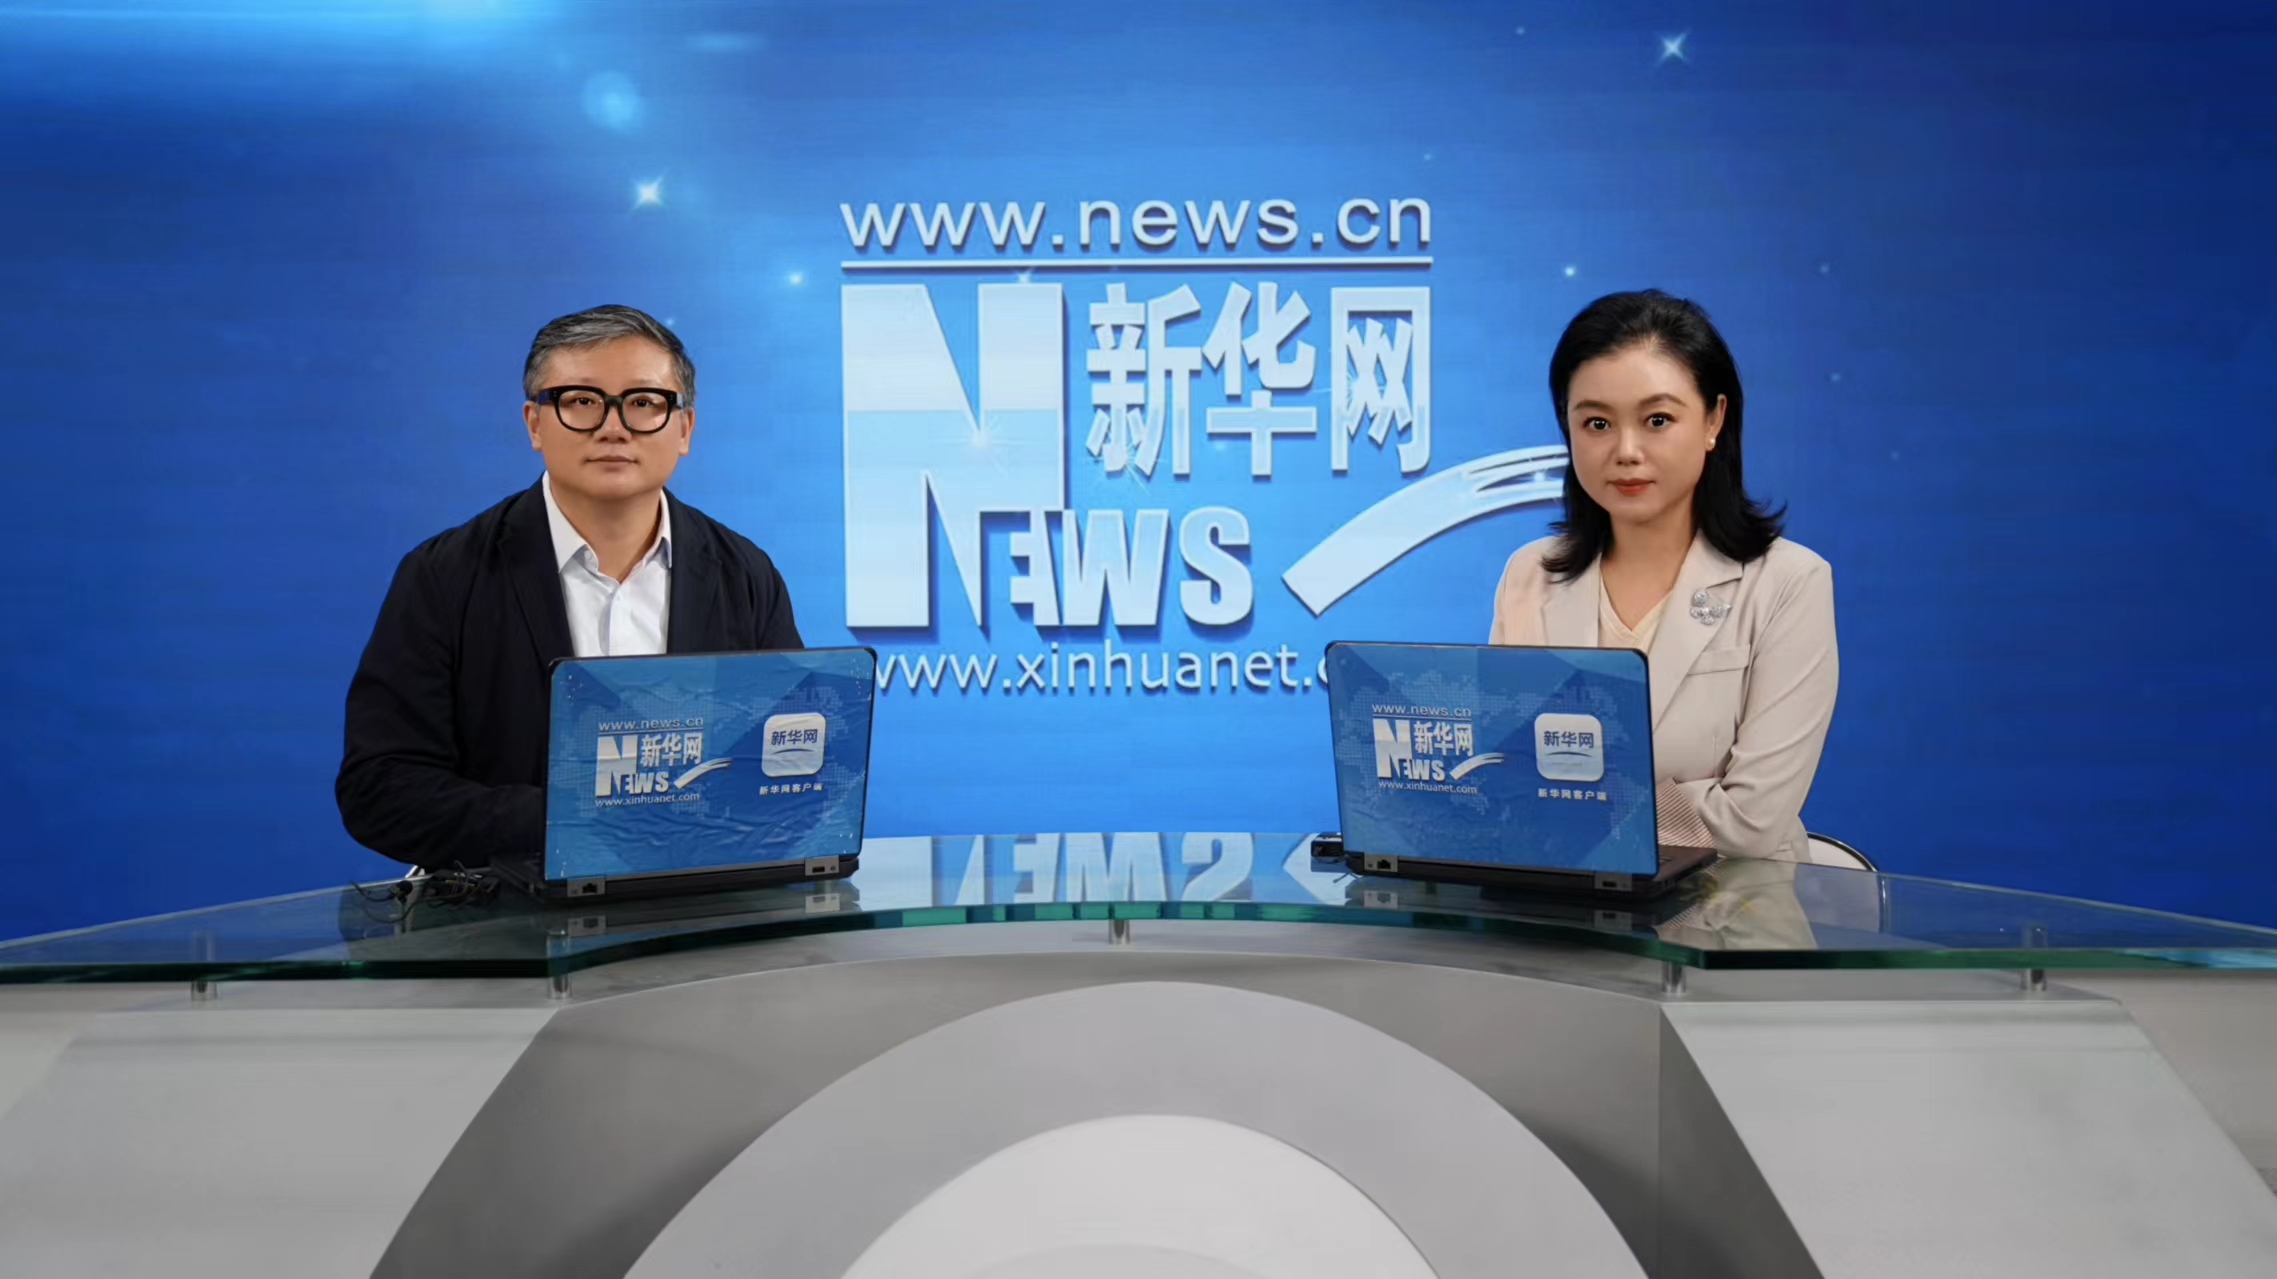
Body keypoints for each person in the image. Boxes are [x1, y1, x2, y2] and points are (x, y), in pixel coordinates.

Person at [337, 305, 802, 870]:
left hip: (704, 903)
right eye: (582, 401)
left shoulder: (744, 574)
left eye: (644, 403)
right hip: (508, 909)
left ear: (684, 429)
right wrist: (576, 821)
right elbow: (381, 787)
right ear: (535, 423)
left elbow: (790, 762)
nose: (613, 427)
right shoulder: (444, 576)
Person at [1489, 290, 1837, 859]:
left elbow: (1750, 822)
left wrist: (1572, 805)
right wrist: (1678, 800)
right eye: (1596, 423)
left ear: (1714, 420)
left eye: (1657, 420)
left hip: (1732, 904)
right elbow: (1505, 780)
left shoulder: (1789, 583)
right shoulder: (1530, 574)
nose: (1626, 451)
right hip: (1560, 899)